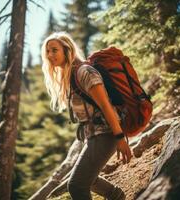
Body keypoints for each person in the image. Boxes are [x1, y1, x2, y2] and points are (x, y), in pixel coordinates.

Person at [41, 32, 131, 200]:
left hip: (106, 134)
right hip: (93, 136)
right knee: (89, 178)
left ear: (68, 51)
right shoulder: (70, 76)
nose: (50, 55)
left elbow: (106, 105)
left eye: (54, 50)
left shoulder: (85, 72)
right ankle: (116, 196)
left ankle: (116, 196)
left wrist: (120, 138)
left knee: (76, 185)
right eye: (47, 51)